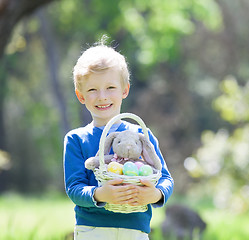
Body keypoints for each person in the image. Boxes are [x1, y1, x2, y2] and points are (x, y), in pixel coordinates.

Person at [63, 37, 174, 240]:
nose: (102, 96)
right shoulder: (76, 139)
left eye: (110, 88)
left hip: (135, 230)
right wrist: (99, 194)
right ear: (81, 96)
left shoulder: (141, 135)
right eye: (92, 90)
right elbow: (74, 188)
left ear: (125, 90)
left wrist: (155, 194)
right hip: (92, 230)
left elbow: (165, 178)